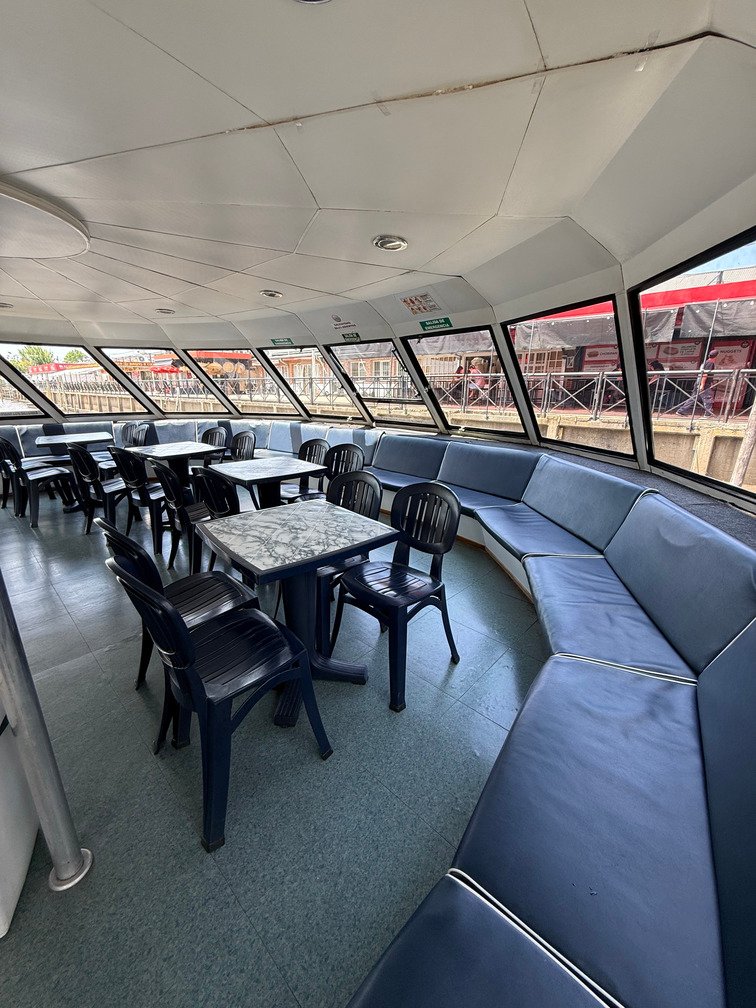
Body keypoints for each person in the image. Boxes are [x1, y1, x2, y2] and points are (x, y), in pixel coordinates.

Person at [676, 349, 718, 417]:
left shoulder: (705, 362)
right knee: (707, 398)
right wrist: (702, 385)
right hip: (703, 384)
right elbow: (704, 374)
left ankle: (681, 411)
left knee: (693, 398)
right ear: (716, 356)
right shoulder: (710, 363)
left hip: (698, 383)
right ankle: (708, 413)